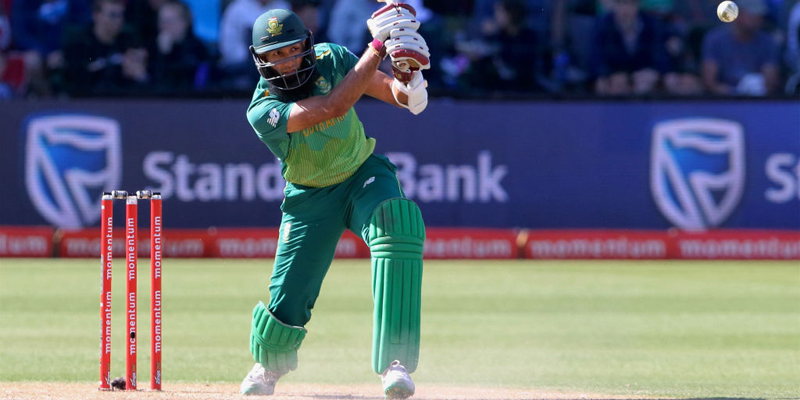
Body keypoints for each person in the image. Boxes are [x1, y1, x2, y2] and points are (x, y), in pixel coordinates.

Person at [238, 4, 430, 399]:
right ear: (261, 61)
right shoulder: (262, 110)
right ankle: (269, 364)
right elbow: (331, 107)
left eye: (293, 50)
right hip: (310, 197)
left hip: (362, 175)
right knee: (288, 298)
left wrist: (408, 78)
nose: (287, 62)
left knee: (398, 224)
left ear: (307, 45)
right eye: (276, 55)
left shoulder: (333, 58)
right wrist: (377, 46)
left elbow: (395, 96)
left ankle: (395, 361)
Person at [57, 0, 148, 96]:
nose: (119, 20)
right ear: (96, 15)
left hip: (123, 99)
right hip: (87, 100)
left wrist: (140, 75)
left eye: (121, 15)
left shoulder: (129, 42)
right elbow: (75, 81)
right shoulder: (79, 44)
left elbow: (143, 81)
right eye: (113, 15)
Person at [701, 0, 780, 96]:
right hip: (723, 99)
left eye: (760, 16)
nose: (758, 19)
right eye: (752, 14)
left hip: (756, 98)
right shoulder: (715, 39)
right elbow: (710, 82)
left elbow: (771, 81)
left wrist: (756, 87)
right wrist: (735, 93)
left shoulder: (768, 42)